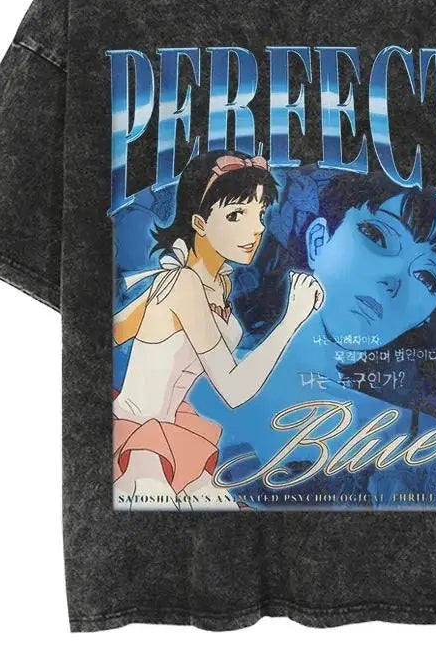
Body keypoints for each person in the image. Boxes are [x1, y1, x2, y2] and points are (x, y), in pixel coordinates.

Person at [191, 168, 436, 507]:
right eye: (377, 237)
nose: (393, 281)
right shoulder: (188, 380)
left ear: (426, 315)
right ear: (319, 242)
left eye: (426, 277)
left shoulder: (423, 446)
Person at [111, 150, 324, 511]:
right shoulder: (184, 283)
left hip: (170, 431)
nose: (256, 228)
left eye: (259, 213)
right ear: (199, 222)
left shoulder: (215, 284)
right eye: (236, 215)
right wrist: (291, 320)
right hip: (142, 439)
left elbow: (119, 328)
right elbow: (234, 390)